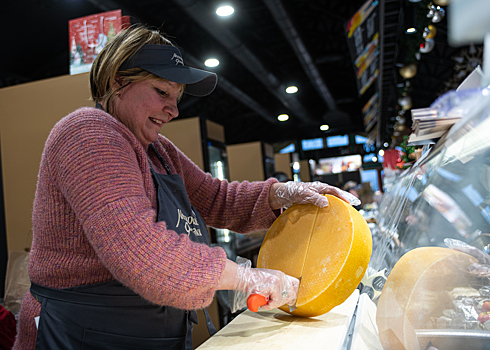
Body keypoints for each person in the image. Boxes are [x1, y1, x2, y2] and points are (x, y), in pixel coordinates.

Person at [13, 25, 359, 350]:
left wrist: (280, 193)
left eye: (177, 96)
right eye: (162, 91)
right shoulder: (88, 133)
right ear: (118, 81)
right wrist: (244, 278)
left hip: (148, 329)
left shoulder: (159, 152)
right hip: (83, 331)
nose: (173, 109)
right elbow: (140, 252)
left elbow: (218, 199)